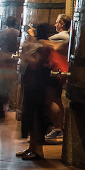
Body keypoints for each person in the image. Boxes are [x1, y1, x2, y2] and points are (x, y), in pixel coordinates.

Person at [17, 22, 56, 160]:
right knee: (30, 116)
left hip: (37, 86)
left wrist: (26, 54)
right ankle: (31, 148)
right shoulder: (40, 45)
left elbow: (35, 64)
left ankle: (38, 150)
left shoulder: (44, 46)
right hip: (32, 85)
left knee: (36, 118)